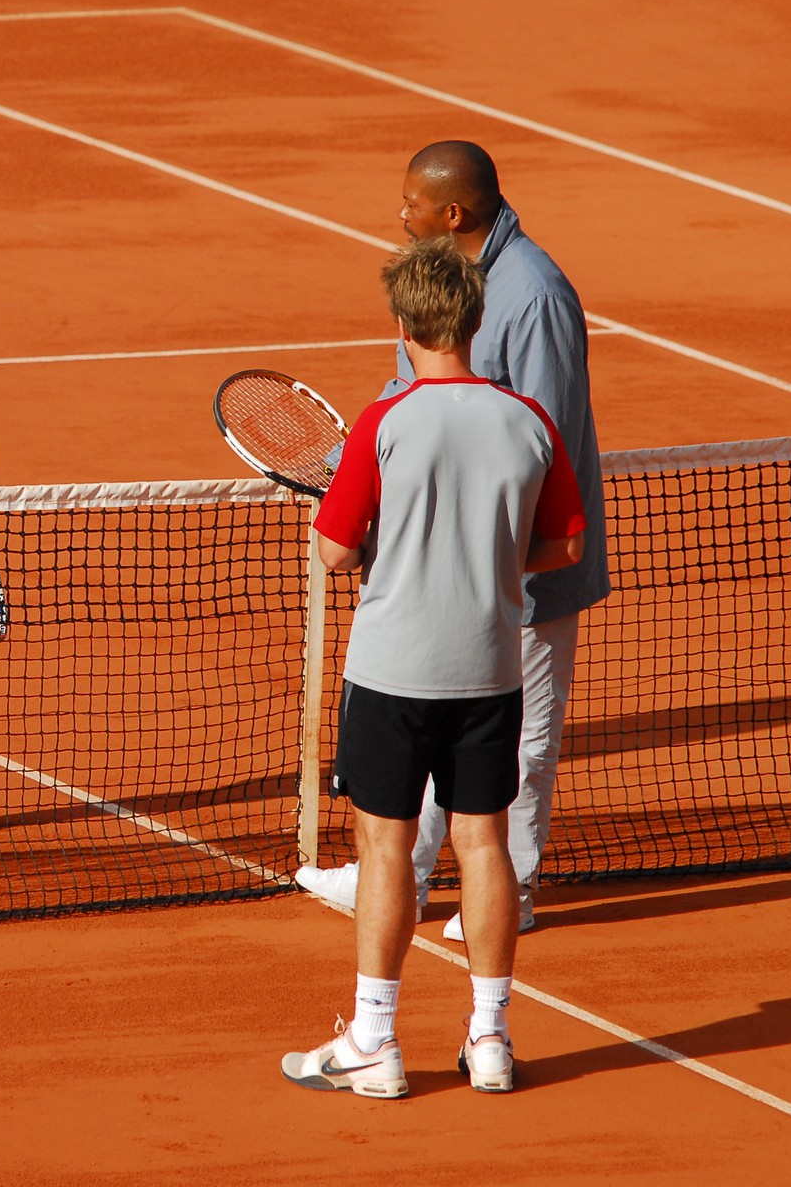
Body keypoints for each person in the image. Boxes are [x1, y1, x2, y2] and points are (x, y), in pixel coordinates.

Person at [281, 238, 587, 1098]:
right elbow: (565, 542)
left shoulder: (385, 422)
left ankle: (374, 1043)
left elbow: (336, 552)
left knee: (384, 847)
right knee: (483, 844)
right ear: (476, 319)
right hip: (489, 666)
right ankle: (489, 1038)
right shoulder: (529, 421)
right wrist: (484, 558)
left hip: (393, 671)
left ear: (403, 326)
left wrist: (394, 544)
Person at [295, 141, 610, 938]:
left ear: (454, 213)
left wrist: (496, 554)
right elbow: (412, 398)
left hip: (521, 572)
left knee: (524, 745)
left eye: (411, 202)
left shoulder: (533, 295)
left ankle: (518, 887)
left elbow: (545, 439)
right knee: (446, 731)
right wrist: (348, 466)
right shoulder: (441, 286)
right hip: (456, 569)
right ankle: (389, 874)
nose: (400, 214)